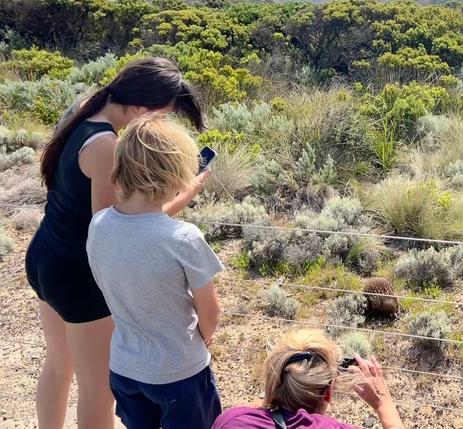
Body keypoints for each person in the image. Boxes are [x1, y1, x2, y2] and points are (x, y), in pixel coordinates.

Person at [25, 57, 208, 429]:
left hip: (46, 252)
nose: (162, 124)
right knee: (98, 390)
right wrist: (185, 193)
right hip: (76, 273)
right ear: (140, 107)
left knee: (58, 366)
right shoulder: (105, 144)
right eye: (162, 115)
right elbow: (113, 231)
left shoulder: (86, 108)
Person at [87, 115, 224, 429]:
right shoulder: (185, 239)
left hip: (124, 369)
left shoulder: (99, 225)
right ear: (177, 173)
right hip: (180, 374)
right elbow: (211, 315)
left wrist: (189, 192)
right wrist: (199, 343)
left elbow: (141, 223)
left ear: (120, 167)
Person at [212, 329, 405, 429]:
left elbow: (260, 409)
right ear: (329, 392)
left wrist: (267, 400)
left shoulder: (231, 421)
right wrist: (383, 404)